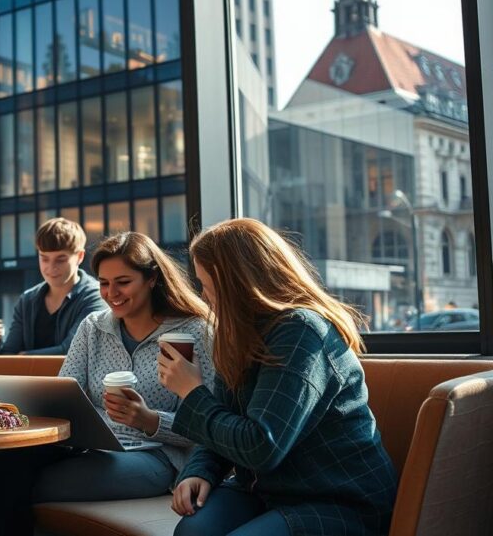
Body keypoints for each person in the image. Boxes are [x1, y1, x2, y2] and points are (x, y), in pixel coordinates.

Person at [0, 232, 213, 536]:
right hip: (87, 447)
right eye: (104, 283)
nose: (111, 293)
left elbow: (207, 425)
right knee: (5, 461)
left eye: (123, 282)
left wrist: (149, 420)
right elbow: (63, 395)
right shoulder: (93, 327)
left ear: (151, 279)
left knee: (13, 481)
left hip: (153, 455)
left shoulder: (193, 333)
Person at [162, 218, 398, 536]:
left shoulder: (301, 331)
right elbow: (223, 419)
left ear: (236, 283)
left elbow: (261, 446)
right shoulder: (239, 334)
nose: (205, 297)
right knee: (191, 532)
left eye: (206, 285)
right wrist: (199, 471)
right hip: (267, 490)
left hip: (336, 498)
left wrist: (191, 391)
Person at [0, 218, 104, 355]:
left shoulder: (95, 295)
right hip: (31, 376)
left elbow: (73, 351)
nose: (51, 267)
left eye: (61, 259)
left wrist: (25, 357)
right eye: (44, 258)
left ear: (80, 256)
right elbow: (9, 355)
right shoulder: (27, 300)